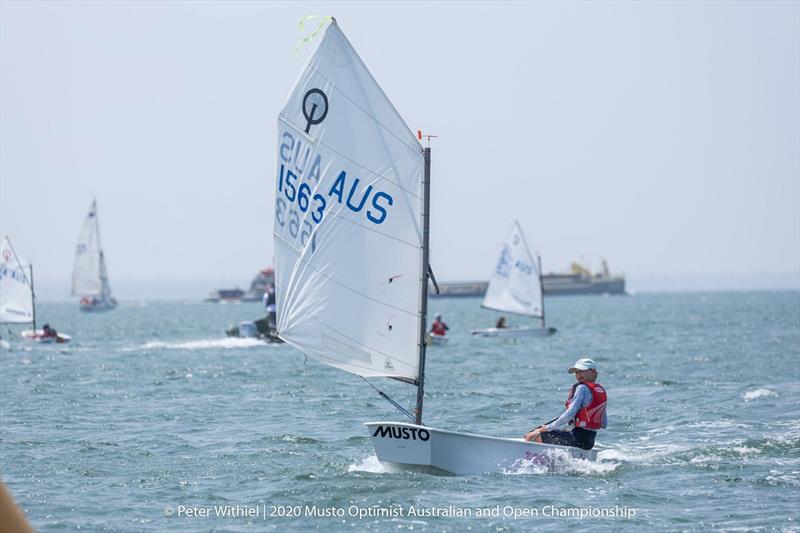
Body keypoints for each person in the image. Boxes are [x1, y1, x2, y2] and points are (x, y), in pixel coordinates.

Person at [524, 358, 607, 450]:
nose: (578, 375)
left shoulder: (582, 388)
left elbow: (570, 414)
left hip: (577, 439)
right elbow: (604, 424)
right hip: (589, 442)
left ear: (593, 372)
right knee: (552, 433)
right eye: (576, 372)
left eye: (582, 371)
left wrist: (548, 427)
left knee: (530, 436)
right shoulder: (600, 391)